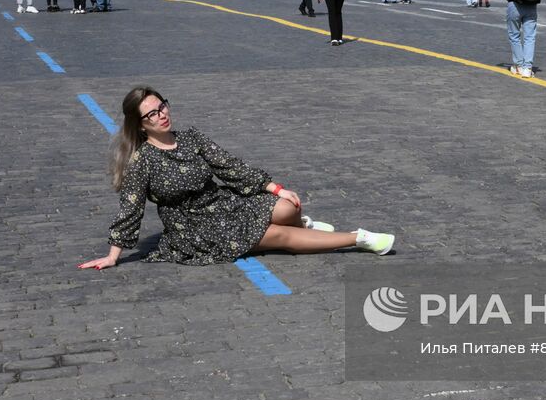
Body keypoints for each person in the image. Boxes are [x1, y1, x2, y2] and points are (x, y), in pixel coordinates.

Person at [78, 87, 395, 269]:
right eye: (152, 114)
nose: (161, 115)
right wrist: (113, 254)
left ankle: (304, 225)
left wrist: (275, 187)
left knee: (288, 207)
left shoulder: (190, 137)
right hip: (195, 229)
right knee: (279, 237)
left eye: (162, 106)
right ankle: (359, 238)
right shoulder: (141, 160)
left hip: (223, 206)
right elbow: (130, 210)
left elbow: (228, 166)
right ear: (141, 124)